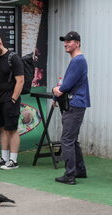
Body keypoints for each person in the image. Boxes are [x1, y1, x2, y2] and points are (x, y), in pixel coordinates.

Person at [52, 31, 90, 185]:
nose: (66, 44)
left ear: (78, 43)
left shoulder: (78, 61)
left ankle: (70, 175)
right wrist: (57, 93)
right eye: (65, 41)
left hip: (74, 104)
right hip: (76, 104)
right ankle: (79, 170)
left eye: (69, 41)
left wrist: (57, 90)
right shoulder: (77, 60)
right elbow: (68, 84)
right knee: (72, 140)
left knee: (67, 140)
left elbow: (66, 85)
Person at [0, 35, 24, 170]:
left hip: (9, 99)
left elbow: (20, 80)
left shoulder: (13, 58)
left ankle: (13, 160)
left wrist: (13, 98)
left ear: (0, 44)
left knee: (11, 129)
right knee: (1, 129)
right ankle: (4, 158)